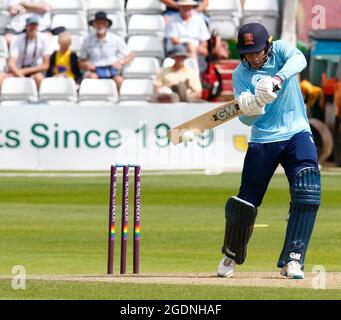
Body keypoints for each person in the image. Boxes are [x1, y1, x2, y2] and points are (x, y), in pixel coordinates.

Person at [217, 23, 321, 280]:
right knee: (247, 201)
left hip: (297, 132)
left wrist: (276, 79)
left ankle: (293, 259)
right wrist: (255, 106)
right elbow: (247, 122)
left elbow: (300, 60)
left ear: (269, 45)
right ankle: (232, 252)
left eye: (257, 51)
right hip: (263, 139)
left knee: (307, 190)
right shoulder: (240, 75)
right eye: (247, 52)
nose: (253, 57)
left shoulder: (283, 52)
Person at [79, 11, 134, 90]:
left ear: (107, 24)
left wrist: (120, 62)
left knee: (120, 81)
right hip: (95, 70)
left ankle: (120, 101)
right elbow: (80, 61)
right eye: (98, 23)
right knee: (91, 78)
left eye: (103, 23)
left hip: (112, 70)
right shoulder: (87, 40)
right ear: (94, 25)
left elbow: (130, 55)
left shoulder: (116, 39)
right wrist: (86, 64)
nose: (100, 25)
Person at [8, 15, 51, 88]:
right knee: (2, 77)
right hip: (18, 72)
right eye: (31, 25)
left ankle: (38, 98)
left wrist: (24, 71)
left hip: (34, 73)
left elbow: (45, 65)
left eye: (35, 25)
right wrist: (21, 76)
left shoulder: (44, 39)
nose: (33, 28)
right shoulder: (17, 39)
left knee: (39, 78)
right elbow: (11, 64)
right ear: (26, 26)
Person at [166, 0, 210, 71]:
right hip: (177, 47)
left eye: (188, 6)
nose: (186, 9)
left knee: (201, 50)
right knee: (191, 48)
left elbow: (204, 40)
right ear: (179, 7)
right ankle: (194, 75)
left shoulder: (199, 19)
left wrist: (202, 46)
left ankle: (194, 74)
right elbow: (174, 40)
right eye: (183, 6)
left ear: (191, 7)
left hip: (195, 47)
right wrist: (189, 46)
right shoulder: (172, 19)